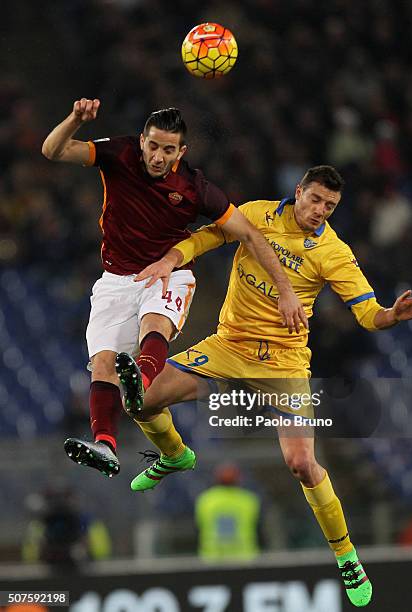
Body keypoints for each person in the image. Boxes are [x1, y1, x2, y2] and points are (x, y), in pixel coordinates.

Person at [118, 165, 412, 607]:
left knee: (301, 463)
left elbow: (367, 313)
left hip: (283, 362)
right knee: (140, 400)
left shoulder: (333, 252)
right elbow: (210, 236)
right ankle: (174, 454)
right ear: (299, 191)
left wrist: (390, 316)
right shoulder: (257, 215)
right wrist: (172, 258)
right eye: (316, 200)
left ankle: (347, 556)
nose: (321, 211)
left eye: (330, 206)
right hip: (229, 345)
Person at [41, 98, 305, 477]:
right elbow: (53, 150)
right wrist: (75, 119)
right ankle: (105, 444)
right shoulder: (119, 153)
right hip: (115, 281)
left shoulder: (196, 189)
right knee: (101, 366)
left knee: (155, 324)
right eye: (152, 146)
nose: (158, 156)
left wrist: (286, 289)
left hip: (168, 273)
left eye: (168, 149)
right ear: (142, 141)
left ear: (182, 151)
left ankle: (141, 382)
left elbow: (249, 233)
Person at [195, 463, 260, 561]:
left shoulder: (205, 500)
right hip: (244, 558)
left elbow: (199, 525)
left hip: (212, 558)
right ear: (238, 479)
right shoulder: (248, 500)